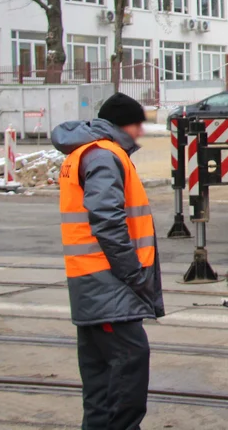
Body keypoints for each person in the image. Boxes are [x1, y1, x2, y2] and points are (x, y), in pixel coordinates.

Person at [54, 92, 163, 430]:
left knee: (101, 386)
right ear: (121, 125)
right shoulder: (104, 155)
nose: (140, 133)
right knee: (125, 378)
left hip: (92, 285)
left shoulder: (85, 152)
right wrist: (133, 273)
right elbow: (106, 218)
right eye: (136, 125)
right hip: (109, 286)